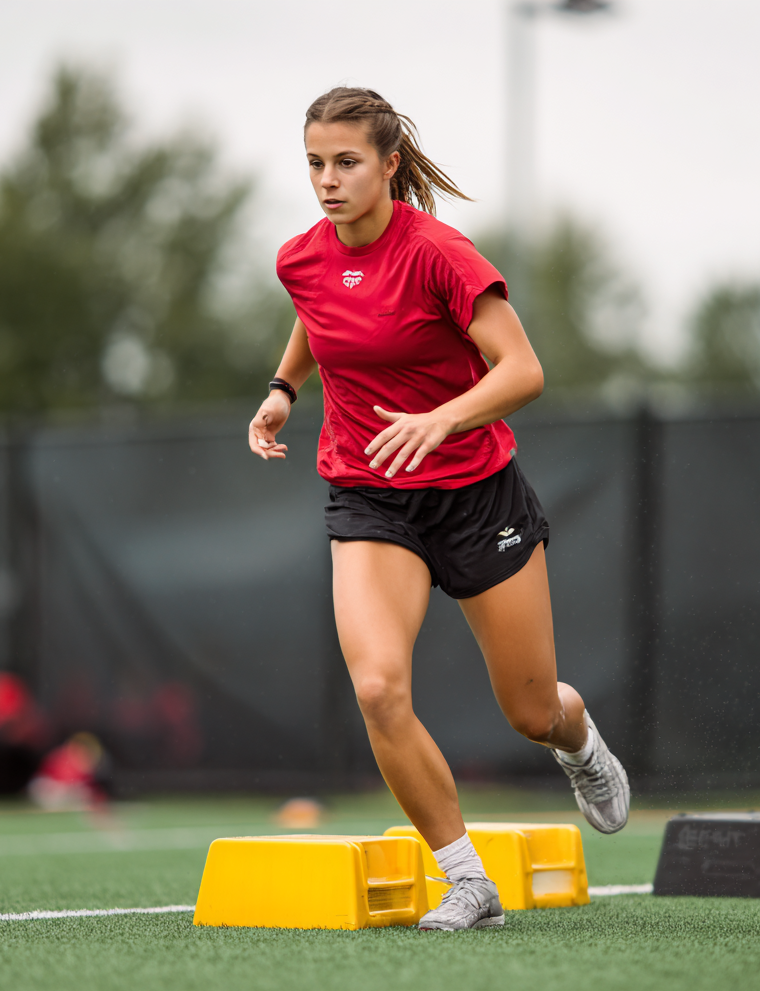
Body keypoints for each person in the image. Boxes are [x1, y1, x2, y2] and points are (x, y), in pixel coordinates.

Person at [248, 87, 629, 931]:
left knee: (530, 710)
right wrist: (283, 389)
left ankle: (580, 743)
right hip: (368, 493)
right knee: (380, 687)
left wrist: (442, 418)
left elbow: (522, 369)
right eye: (314, 163)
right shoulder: (299, 257)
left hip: (474, 494)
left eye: (346, 162)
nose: (328, 180)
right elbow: (319, 316)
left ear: (388, 164)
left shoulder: (440, 254)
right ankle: (468, 880)